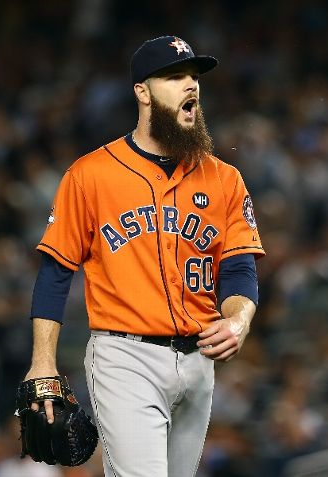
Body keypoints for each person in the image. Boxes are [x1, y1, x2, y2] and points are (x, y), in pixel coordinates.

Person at [24, 35, 265, 477]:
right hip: (125, 356)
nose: (190, 85)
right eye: (174, 77)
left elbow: (238, 270)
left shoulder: (224, 179)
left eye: (194, 76)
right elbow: (56, 272)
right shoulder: (91, 174)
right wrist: (43, 362)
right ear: (142, 91)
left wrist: (238, 320)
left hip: (199, 363)